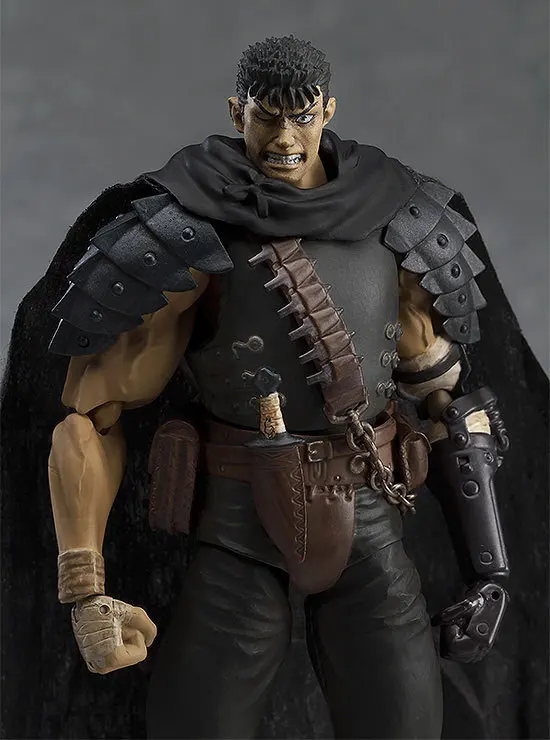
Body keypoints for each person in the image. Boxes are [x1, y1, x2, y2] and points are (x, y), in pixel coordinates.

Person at [2, 36, 548, 740]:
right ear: (238, 113)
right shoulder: (183, 231)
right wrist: (86, 592)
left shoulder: (398, 219)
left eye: (302, 117)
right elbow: (90, 420)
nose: (285, 139)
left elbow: (450, 408)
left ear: (328, 111)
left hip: (372, 524)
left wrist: (488, 571)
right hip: (239, 529)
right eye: (267, 117)